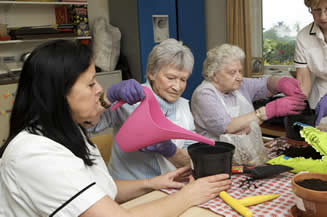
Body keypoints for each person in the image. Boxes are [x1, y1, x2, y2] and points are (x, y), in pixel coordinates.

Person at [0, 40, 231, 217]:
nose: (100, 89)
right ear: (57, 92)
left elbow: (100, 187)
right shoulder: (35, 153)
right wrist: (190, 195)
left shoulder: (69, 132)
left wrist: (153, 183)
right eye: (91, 83)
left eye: (183, 79)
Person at [90, 38, 200, 180]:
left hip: (166, 188)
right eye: (171, 78)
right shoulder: (129, 99)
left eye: (183, 80)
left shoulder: (184, 108)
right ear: (151, 73)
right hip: (129, 190)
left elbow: (192, 161)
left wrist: (170, 150)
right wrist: (109, 97)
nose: (177, 87)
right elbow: (89, 125)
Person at [191, 43, 306, 144]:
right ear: (214, 75)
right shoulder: (204, 94)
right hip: (217, 158)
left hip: (247, 154)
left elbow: (266, 84)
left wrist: (280, 82)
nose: (239, 77)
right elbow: (227, 127)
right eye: (232, 72)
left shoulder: (241, 85)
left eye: (240, 71)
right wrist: (266, 111)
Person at [294, 0, 327, 125]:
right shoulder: (304, 36)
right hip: (320, 96)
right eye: (317, 10)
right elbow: (303, 79)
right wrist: (296, 102)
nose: (322, 16)